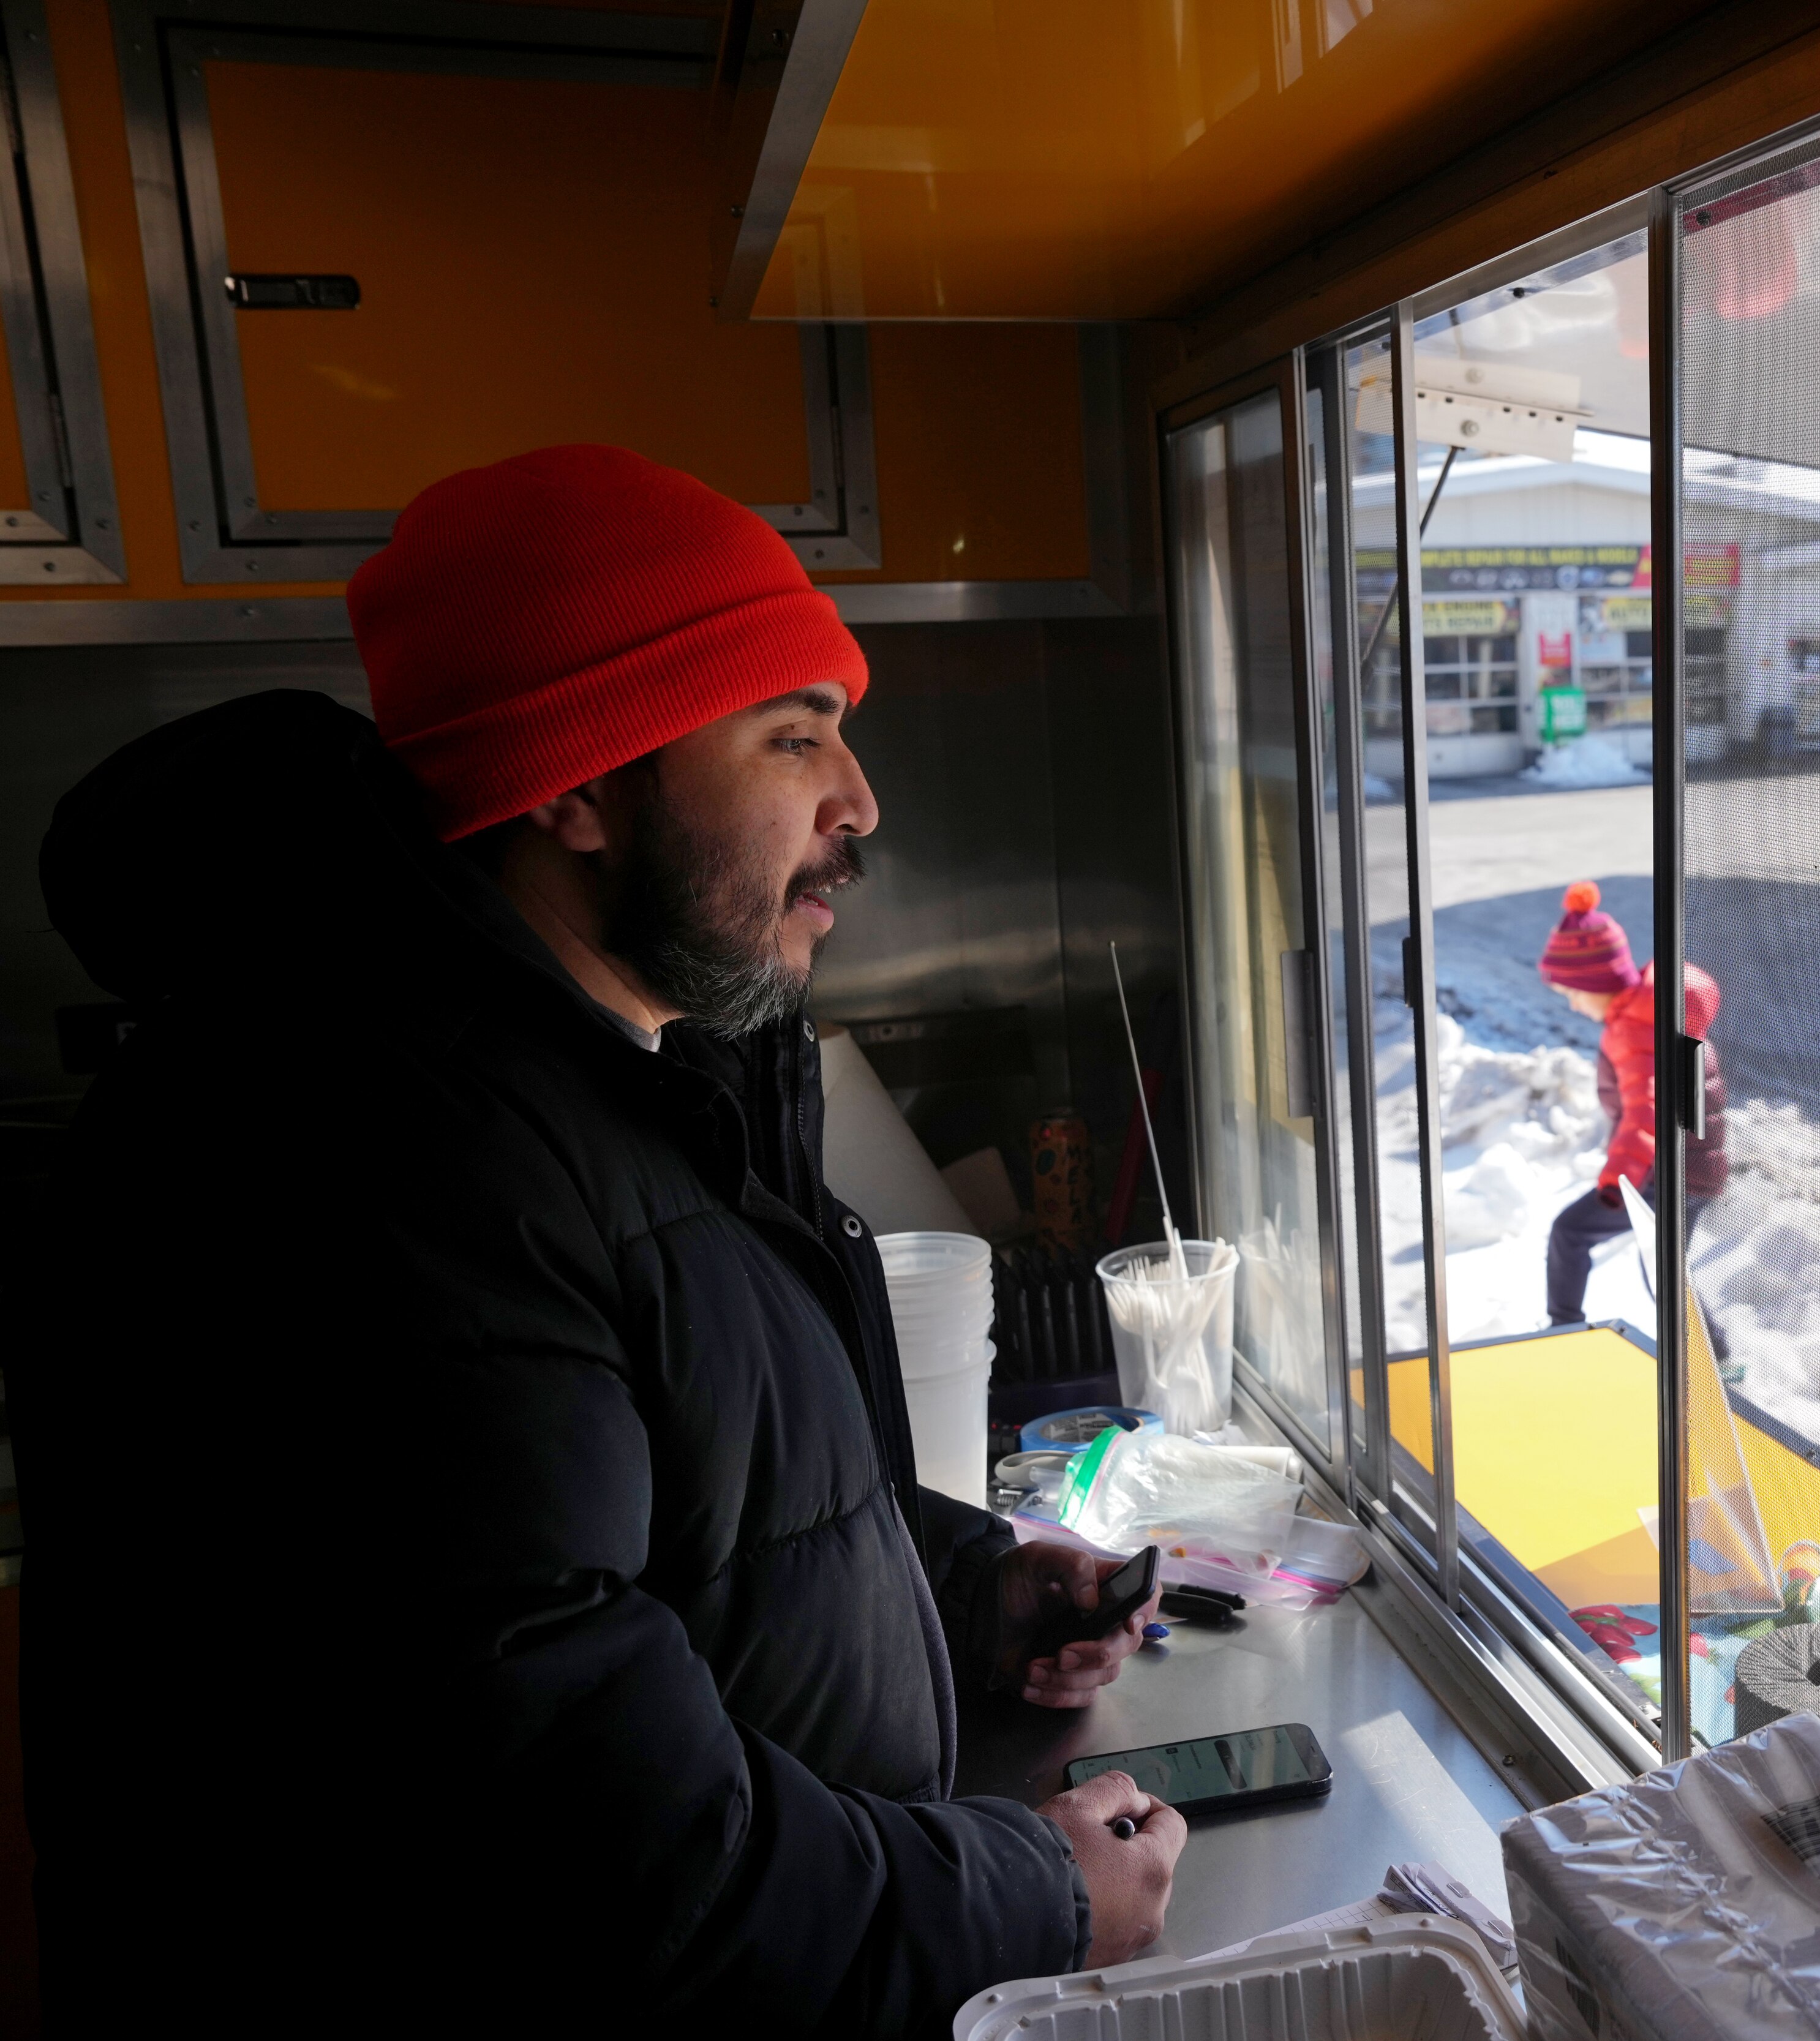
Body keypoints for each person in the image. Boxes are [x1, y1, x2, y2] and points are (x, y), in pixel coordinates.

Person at [21, 446, 1186, 2034]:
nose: (860, 805)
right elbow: (577, 1850)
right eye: (795, 737)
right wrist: (1030, 1893)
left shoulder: (606, 1071)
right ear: (577, 781)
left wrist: (966, 1582)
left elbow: (680, 1515)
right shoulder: (376, 1160)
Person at [1536, 880, 1726, 1328]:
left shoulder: (1636, 1027)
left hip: (1668, 1171)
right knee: (1665, 1276)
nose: (1575, 1006)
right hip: (1679, 1165)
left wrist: (1615, 1179)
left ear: (1597, 982)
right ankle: (1717, 1361)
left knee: (1578, 1236)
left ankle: (1563, 1332)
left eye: (1574, 994)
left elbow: (1646, 1111)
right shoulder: (1644, 1012)